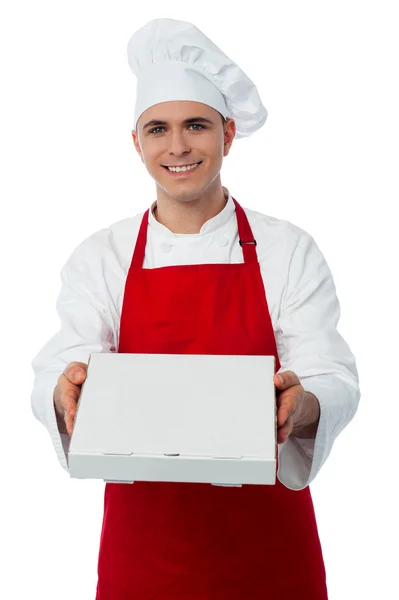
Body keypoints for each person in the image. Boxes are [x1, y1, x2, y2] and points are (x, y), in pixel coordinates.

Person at [30, 17, 360, 599]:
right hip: (144, 553)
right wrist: (64, 392)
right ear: (137, 142)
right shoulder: (101, 257)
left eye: (197, 126)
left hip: (269, 553)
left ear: (229, 135)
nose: (177, 146)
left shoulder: (287, 249)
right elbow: (61, 368)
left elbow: (332, 375)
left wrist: (303, 402)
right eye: (158, 128)